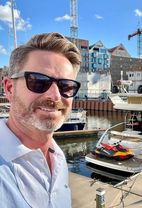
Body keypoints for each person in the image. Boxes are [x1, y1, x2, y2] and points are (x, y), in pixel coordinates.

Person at [1, 32, 81, 207]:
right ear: (9, 88)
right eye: (38, 81)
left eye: (66, 86)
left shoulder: (58, 157)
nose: (55, 95)